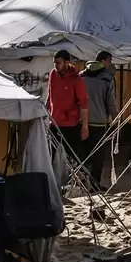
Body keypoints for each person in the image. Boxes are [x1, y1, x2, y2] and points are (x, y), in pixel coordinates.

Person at [47, 50, 89, 181]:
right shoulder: (53, 74)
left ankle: (78, 182)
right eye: (55, 63)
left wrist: (85, 126)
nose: (56, 66)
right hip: (54, 123)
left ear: (67, 62)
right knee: (51, 155)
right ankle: (52, 182)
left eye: (58, 63)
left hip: (71, 124)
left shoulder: (76, 79)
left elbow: (83, 103)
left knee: (73, 156)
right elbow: (50, 95)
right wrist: (46, 111)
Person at [82, 51, 120, 189]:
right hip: (98, 121)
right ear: (104, 61)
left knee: (81, 154)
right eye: (109, 60)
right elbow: (111, 102)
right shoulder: (107, 78)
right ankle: (94, 184)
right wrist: (117, 118)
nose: (110, 63)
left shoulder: (81, 75)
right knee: (98, 156)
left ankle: (80, 183)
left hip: (81, 121)